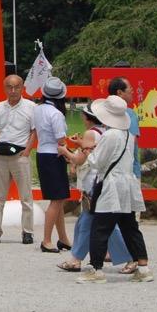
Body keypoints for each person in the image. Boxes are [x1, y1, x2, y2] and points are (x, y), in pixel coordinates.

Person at [77, 95, 154, 284]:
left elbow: (96, 161)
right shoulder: (128, 134)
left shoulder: (110, 135)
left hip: (110, 184)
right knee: (130, 227)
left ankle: (96, 269)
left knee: (100, 227)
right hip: (127, 183)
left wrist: (87, 149)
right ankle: (143, 267)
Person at [57, 106, 133, 274]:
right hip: (100, 182)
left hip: (94, 184)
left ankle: (77, 260)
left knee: (94, 224)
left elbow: (81, 158)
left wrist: (65, 151)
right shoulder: (103, 132)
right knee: (90, 223)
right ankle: (77, 259)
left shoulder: (91, 133)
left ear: (87, 117)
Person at [0, 74, 36, 245]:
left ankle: (27, 231)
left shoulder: (31, 107)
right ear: (4, 88)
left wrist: (27, 151)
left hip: (20, 155)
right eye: (9, 86)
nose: (13, 90)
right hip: (1, 156)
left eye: (16, 87)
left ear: (22, 88)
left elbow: (34, 131)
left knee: (25, 197)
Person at [34, 77, 73, 253]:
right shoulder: (56, 114)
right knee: (57, 200)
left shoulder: (38, 109)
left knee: (58, 199)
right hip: (54, 155)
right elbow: (60, 139)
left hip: (42, 153)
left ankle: (63, 238)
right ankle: (47, 240)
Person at [106, 77, 142, 178]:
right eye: (130, 88)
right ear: (120, 92)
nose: (132, 91)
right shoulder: (129, 114)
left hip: (110, 171)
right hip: (130, 171)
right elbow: (132, 141)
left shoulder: (104, 114)